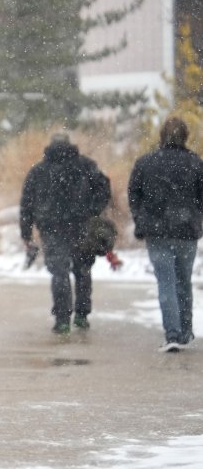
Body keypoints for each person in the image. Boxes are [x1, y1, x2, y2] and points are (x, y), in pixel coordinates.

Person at [20, 132, 112, 334]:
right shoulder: (86, 165)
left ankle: (62, 319)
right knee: (82, 271)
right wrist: (93, 210)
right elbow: (105, 187)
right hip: (82, 225)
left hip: (51, 228)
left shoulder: (38, 171)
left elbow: (26, 204)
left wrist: (26, 233)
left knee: (59, 272)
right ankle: (81, 315)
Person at [128, 116, 203, 352]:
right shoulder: (195, 163)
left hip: (157, 232)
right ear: (185, 136)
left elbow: (134, 194)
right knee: (183, 282)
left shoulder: (145, 163)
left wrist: (141, 218)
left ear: (161, 136)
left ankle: (172, 333)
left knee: (166, 283)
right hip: (186, 231)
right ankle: (185, 331)